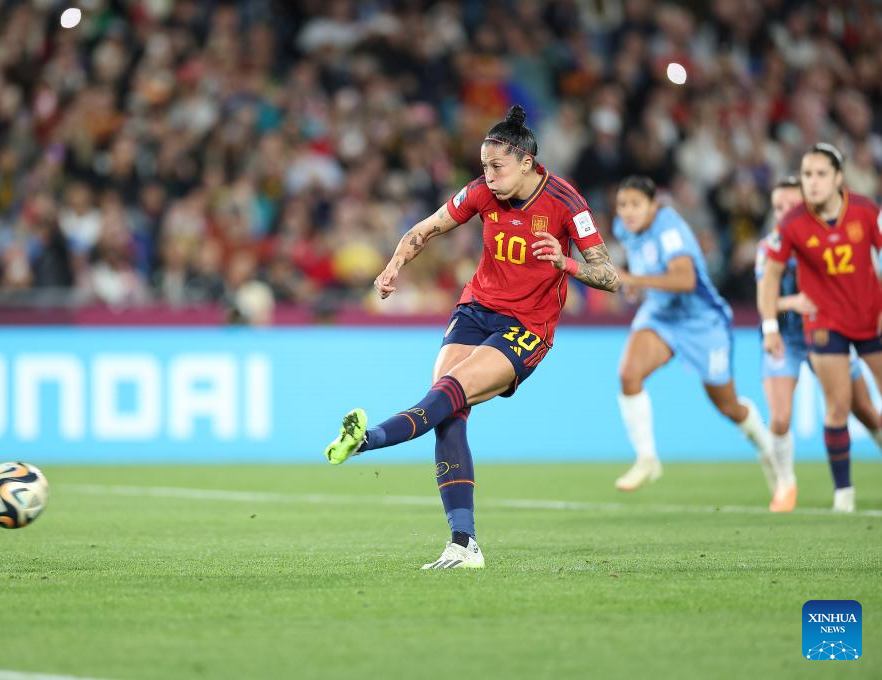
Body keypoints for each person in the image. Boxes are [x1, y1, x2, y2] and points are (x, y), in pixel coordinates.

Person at [321, 105, 620, 569]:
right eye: (484, 166)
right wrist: (394, 265)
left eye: (497, 167)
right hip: (475, 310)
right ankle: (463, 545)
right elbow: (426, 229)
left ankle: (368, 440)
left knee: (447, 395)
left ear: (526, 162)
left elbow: (609, 276)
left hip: (526, 328)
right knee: (448, 412)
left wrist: (567, 263)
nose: (489, 177)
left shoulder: (567, 202)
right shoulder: (481, 192)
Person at [611, 176, 775, 494]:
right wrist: (635, 284)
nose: (628, 211)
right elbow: (641, 264)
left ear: (653, 205)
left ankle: (767, 447)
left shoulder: (669, 230)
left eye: (635, 204)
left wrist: (634, 279)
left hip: (702, 323)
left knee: (728, 406)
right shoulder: (624, 228)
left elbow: (684, 280)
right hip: (661, 315)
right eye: (622, 205)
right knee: (629, 375)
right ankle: (647, 458)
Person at [758, 143, 882, 513]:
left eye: (820, 174)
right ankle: (842, 494)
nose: (813, 182)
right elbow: (769, 278)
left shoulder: (866, 211)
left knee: (866, 410)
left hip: (871, 317)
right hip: (824, 324)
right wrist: (770, 326)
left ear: (838, 177)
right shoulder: (791, 225)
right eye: (807, 174)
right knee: (836, 407)